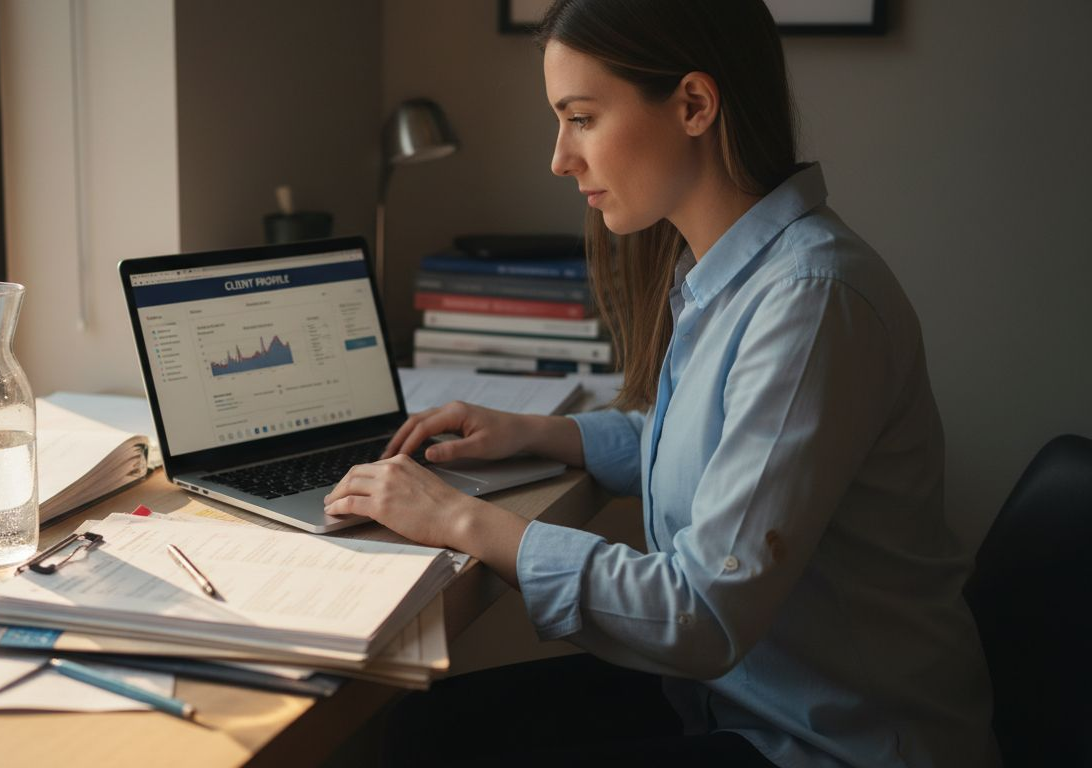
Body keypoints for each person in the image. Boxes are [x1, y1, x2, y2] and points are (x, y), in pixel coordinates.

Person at [323, 0, 998, 765]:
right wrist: (548, 433)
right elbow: (719, 446)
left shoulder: (811, 302)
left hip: (824, 744)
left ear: (694, 105)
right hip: (733, 698)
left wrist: (461, 521)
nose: (559, 158)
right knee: (427, 729)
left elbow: (700, 614)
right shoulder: (730, 276)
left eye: (580, 118)